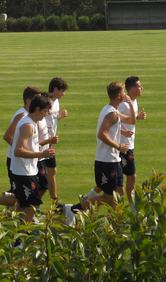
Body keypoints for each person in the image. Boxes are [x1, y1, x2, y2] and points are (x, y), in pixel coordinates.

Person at [0, 95, 55, 225]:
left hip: (26, 170)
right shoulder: (28, 125)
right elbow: (18, 151)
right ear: (37, 109)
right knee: (31, 205)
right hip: (24, 172)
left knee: (23, 202)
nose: (47, 114)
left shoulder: (30, 122)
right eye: (45, 111)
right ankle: (20, 239)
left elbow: (25, 144)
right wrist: (41, 153)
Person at [62, 82, 134, 225]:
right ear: (119, 96)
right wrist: (119, 146)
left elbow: (132, 120)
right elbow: (102, 134)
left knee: (119, 194)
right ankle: (72, 210)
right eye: (124, 92)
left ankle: (114, 223)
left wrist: (131, 105)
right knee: (108, 198)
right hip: (107, 162)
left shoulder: (112, 111)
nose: (126, 94)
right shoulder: (112, 114)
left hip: (114, 160)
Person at [2, 86, 42, 196]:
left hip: (25, 160)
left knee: (21, 196)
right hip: (17, 161)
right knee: (19, 196)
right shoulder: (22, 116)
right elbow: (7, 136)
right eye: (36, 99)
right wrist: (20, 148)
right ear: (28, 101)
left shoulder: (31, 116)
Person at [118, 75, 146, 206]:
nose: (142, 88)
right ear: (133, 89)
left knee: (120, 178)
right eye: (140, 86)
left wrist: (138, 117)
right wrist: (123, 132)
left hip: (129, 144)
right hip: (123, 145)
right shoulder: (124, 105)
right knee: (131, 176)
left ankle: (89, 196)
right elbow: (112, 120)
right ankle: (132, 206)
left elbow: (128, 118)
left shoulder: (133, 101)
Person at [42, 78, 68, 204]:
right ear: (55, 89)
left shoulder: (56, 102)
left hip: (49, 142)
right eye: (62, 91)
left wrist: (60, 117)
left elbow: (51, 119)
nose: (64, 94)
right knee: (40, 177)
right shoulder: (45, 101)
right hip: (41, 143)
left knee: (52, 171)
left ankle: (54, 202)